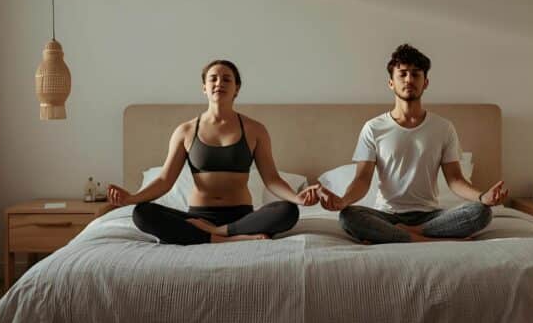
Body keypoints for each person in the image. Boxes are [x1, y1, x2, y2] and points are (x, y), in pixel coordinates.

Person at [107, 60, 319, 244]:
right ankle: (226, 240)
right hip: (198, 218)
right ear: (204, 88)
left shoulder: (255, 130)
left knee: (288, 211)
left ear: (237, 88)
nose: (219, 83)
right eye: (213, 79)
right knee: (142, 214)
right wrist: (132, 199)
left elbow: (272, 179)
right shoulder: (186, 131)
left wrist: (297, 198)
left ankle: (218, 233)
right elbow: (164, 180)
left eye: (227, 79)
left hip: (241, 217)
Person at [319, 44, 508, 244]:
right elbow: (362, 180)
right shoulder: (373, 128)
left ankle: (406, 233)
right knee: (348, 217)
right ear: (391, 83)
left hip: (429, 216)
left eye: (416, 74)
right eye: (402, 74)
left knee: (481, 213)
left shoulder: (443, 128)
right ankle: (427, 239)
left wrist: (483, 197)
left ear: (425, 82)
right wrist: (343, 201)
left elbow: (455, 180)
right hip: (387, 216)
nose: (409, 79)